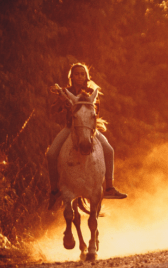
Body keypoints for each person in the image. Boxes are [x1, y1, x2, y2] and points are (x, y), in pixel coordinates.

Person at [47, 63, 127, 210]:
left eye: (82, 74)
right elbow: (53, 110)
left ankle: (109, 187)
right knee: (51, 154)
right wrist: (62, 103)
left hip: (89, 129)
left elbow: (95, 111)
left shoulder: (91, 92)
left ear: (86, 77)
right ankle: (54, 190)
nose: (79, 76)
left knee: (109, 150)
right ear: (71, 76)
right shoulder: (65, 92)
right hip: (70, 128)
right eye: (76, 74)